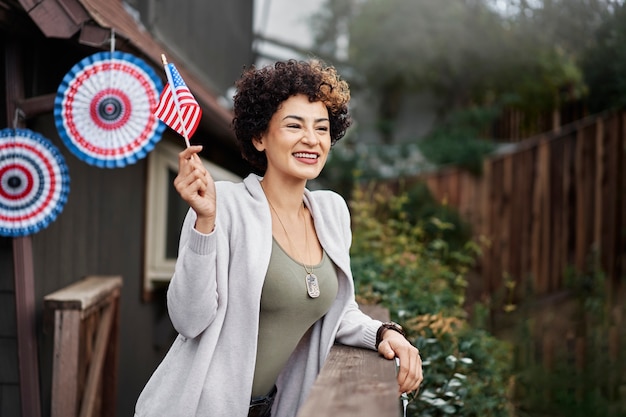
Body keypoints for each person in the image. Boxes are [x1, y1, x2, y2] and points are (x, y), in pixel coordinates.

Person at [134, 59, 422, 417]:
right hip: (199, 406)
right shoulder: (222, 204)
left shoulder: (332, 212)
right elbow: (189, 320)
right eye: (293, 125)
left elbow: (335, 310)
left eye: (321, 128)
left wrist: (383, 333)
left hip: (271, 407)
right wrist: (205, 222)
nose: (311, 139)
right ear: (259, 137)